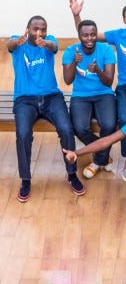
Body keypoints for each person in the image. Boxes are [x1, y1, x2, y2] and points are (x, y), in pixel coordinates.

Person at [69, 0, 126, 182]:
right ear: (123, 19)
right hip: (124, 88)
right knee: (124, 119)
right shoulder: (117, 35)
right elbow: (87, 35)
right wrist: (77, 15)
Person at [8, 16, 85, 202]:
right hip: (25, 100)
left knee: (66, 129)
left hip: (52, 97)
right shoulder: (18, 43)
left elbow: (54, 47)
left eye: (43, 29)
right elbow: (9, 45)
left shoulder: (49, 41)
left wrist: (46, 43)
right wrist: (17, 42)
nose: (39, 33)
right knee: (23, 135)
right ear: (27, 29)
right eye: (35, 29)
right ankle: (25, 180)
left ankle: (72, 174)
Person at [62, 20, 117, 179]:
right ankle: (103, 155)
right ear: (79, 36)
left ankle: (98, 162)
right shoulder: (70, 51)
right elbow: (67, 80)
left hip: (104, 93)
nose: (89, 38)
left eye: (93, 34)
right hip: (81, 95)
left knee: (109, 125)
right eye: (85, 35)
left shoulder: (106, 50)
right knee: (79, 128)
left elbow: (108, 81)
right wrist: (74, 62)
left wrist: (97, 70)